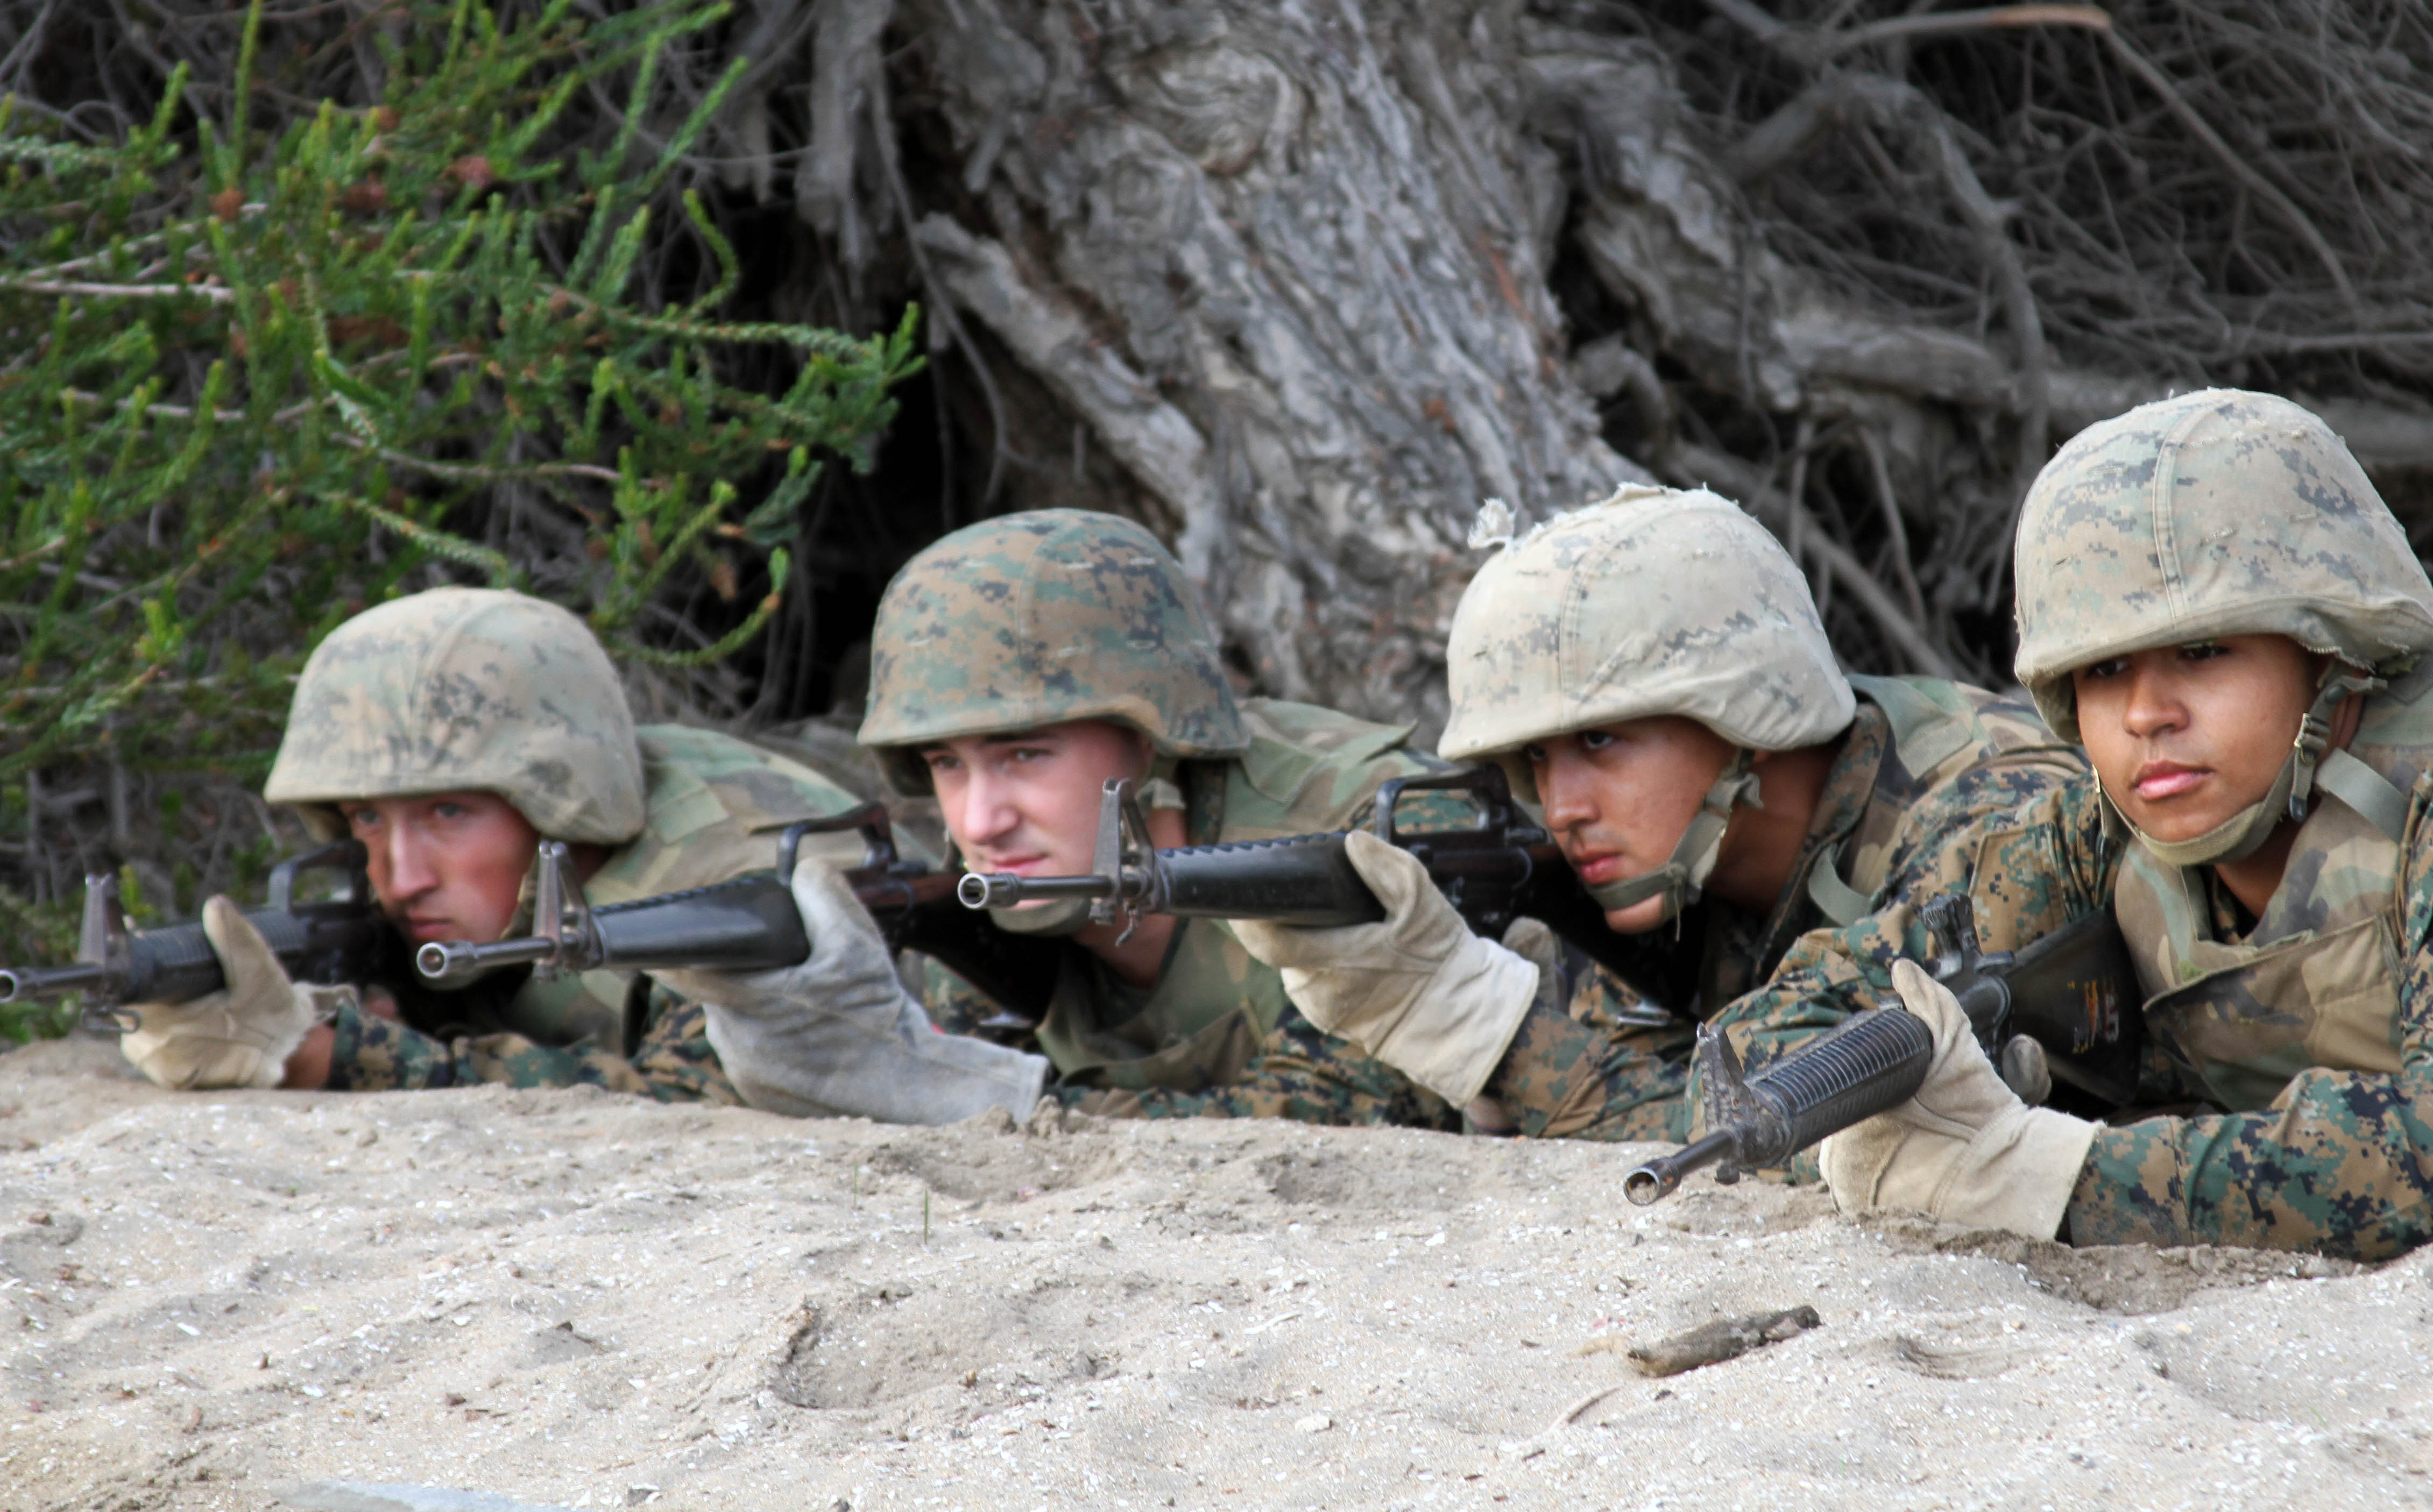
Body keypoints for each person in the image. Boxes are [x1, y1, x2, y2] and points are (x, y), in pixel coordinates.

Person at [1721, 389, 2433, 1260]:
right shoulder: (2093, 833)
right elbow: (1778, 1035)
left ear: (2328, 651)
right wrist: (1912, 1105)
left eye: (2202, 654)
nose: (2148, 714)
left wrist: (2051, 1172)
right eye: (2102, 672)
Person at [1228, 484, 2080, 1139]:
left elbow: (1752, 1140)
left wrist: (1485, 1028)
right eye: (1535, 761)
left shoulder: (1983, 827)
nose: (1560, 808)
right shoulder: (1676, 869)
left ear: (1750, 715)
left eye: (1600, 742)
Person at [116, 587, 1044, 1123]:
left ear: (560, 797)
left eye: (447, 811)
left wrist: (345, 1058)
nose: (399, 875)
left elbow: (697, 1101)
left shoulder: (730, 886)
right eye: (364, 817)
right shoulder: (499, 883)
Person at [833, 508, 1481, 1125]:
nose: (980, 823)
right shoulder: (990, 906)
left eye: (1025, 755)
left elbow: (1345, 1114)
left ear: (1153, 740)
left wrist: (967, 1098)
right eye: (946, 763)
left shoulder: (1349, 838)